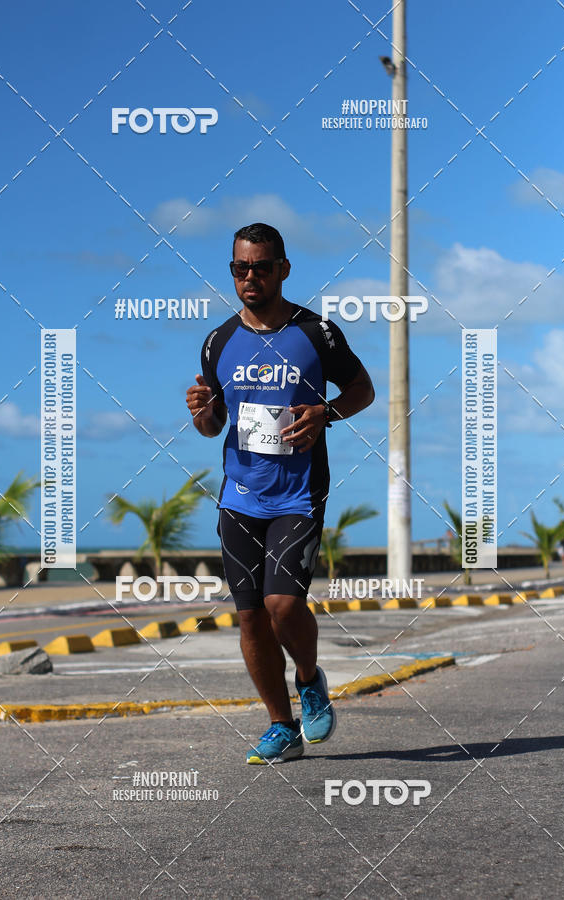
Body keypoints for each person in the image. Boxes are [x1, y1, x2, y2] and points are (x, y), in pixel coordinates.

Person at [186, 223, 375, 764]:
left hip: (298, 492)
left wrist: (326, 412)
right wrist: (202, 413)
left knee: (282, 605)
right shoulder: (218, 341)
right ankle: (280, 725)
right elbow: (214, 422)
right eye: (240, 268)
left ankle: (310, 678)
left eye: (261, 267)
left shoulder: (317, 333)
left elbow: (362, 390)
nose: (250, 278)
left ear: (283, 270)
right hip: (239, 496)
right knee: (249, 616)